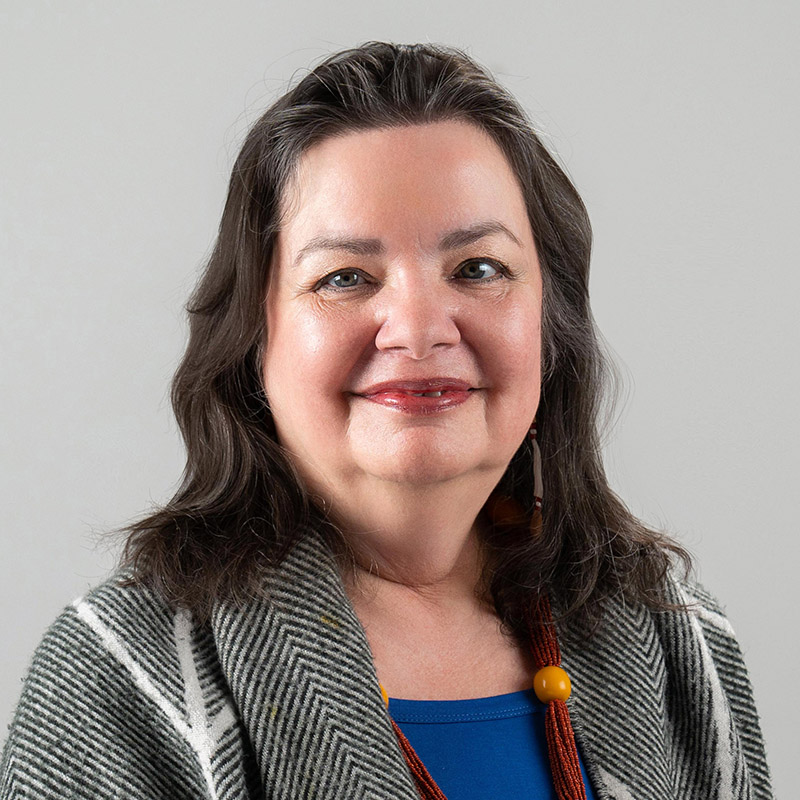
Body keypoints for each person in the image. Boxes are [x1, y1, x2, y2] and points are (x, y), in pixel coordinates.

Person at [0, 41, 772, 800]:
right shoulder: (122, 673)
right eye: (344, 277)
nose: (418, 327)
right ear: (254, 339)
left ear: (551, 322)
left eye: (478, 268)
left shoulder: (680, 641)